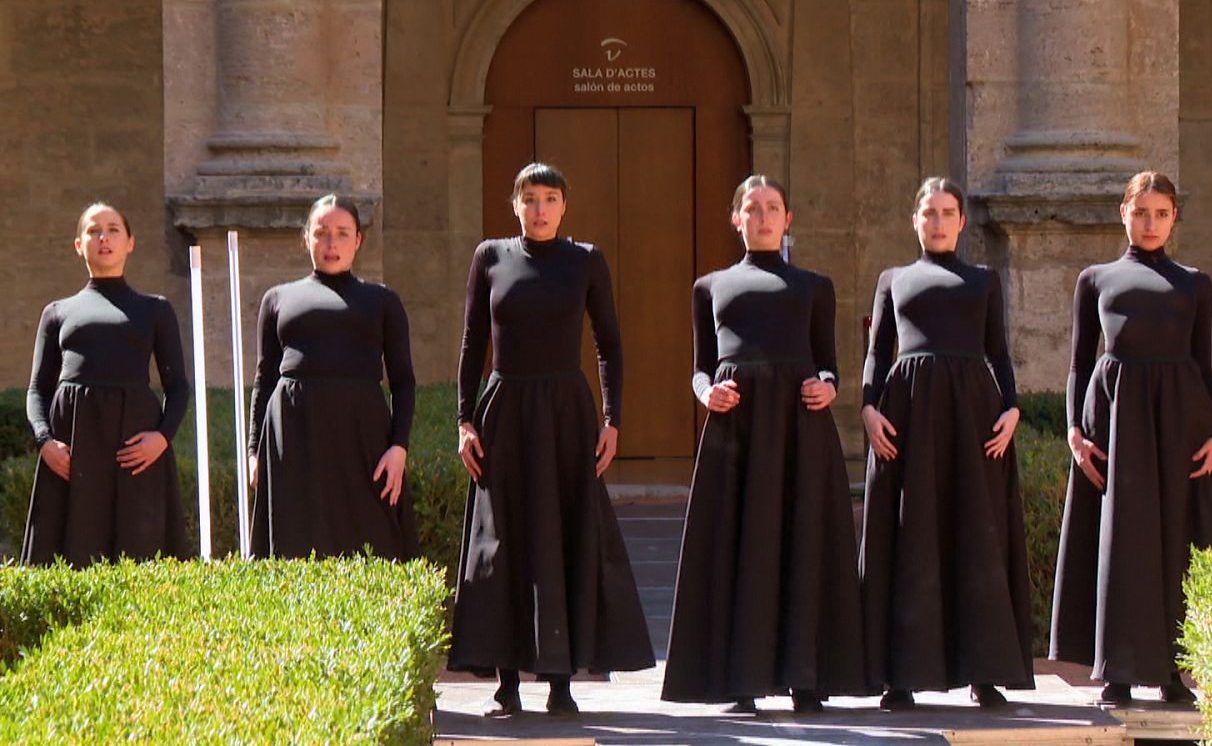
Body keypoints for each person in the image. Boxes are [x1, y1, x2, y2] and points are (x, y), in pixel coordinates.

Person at [450, 163, 653, 716]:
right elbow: (472, 344)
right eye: (530, 198)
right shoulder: (489, 257)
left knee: (564, 539)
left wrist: (612, 420)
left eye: (550, 199)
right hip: (504, 413)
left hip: (566, 415)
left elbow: (609, 344)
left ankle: (562, 683)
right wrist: (464, 420)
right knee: (502, 543)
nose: (540, 208)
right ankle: (506, 684)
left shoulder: (585, 260)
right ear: (515, 205)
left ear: (564, 206)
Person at [662, 175, 868, 713]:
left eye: (772, 208)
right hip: (738, 432)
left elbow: (829, 361)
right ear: (736, 219)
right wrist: (708, 394)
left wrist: (829, 385)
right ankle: (742, 682)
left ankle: (807, 679)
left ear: (787, 219)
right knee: (739, 546)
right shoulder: (709, 287)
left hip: (801, 430)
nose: (762, 217)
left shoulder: (815, 286)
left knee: (804, 542)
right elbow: (699, 368)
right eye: (752, 208)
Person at [1050, 171, 1212, 706]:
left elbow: (1204, 363)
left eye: (1162, 213)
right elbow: (1079, 363)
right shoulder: (1095, 278)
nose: (1151, 223)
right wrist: (1074, 431)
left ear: (1175, 218)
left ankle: (1175, 672)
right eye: (1141, 212)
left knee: (1176, 540)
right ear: (1123, 213)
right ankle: (1117, 670)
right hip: (1116, 419)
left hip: (1180, 421)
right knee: (1120, 540)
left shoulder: (1195, 282)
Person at [858, 177, 1032, 710]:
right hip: (905, 421)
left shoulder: (984, 281)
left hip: (974, 423)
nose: (937, 222)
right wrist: (867, 409)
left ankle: (984, 673)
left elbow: (999, 355)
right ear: (915, 220)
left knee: (976, 538)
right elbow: (876, 352)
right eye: (928, 213)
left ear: (961, 221)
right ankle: (900, 676)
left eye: (947, 212)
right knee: (910, 537)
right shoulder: (893, 279)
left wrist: (1012, 409)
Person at [247, 194, 417, 560]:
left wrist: (399, 447)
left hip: (363, 438)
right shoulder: (277, 298)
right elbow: (264, 379)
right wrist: (253, 452)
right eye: (322, 233)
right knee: (294, 545)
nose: (331, 244)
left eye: (342, 233)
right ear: (306, 237)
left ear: (358, 240)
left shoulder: (383, 301)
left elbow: (403, 382)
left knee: (373, 543)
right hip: (293, 434)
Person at [23, 203, 190, 566]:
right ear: (79, 245)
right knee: (68, 559)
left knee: (142, 554)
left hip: (136, 454)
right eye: (94, 230)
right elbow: (38, 389)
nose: (104, 237)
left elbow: (177, 387)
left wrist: (161, 438)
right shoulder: (57, 312)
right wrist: (44, 442)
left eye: (113, 229)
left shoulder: (156, 310)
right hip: (71, 454)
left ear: (130, 242)